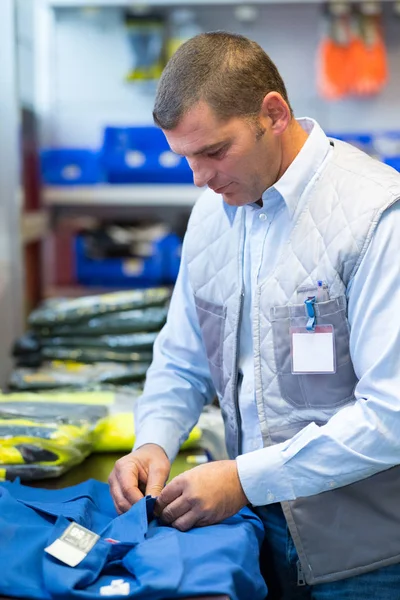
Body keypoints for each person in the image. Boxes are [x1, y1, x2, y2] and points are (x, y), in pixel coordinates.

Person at [109, 32, 400, 599]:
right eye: (186, 158)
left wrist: (244, 479)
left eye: (215, 151)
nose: (200, 178)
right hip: (253, 537)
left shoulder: (376, 218)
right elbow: (181, 361)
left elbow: (393, 415)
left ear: (273, 112)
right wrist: (154, 442)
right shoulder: (213, 216)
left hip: (368, 557)